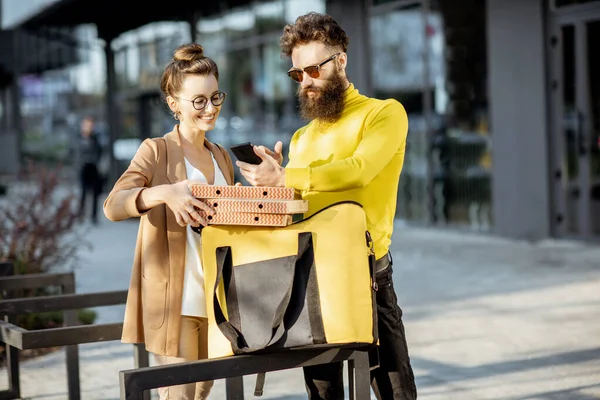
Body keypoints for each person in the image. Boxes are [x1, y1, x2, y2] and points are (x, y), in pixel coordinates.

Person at [235, 12, 417, 400]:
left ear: (341, 60)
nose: (307, 82)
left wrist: (289, 178)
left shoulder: (383, 113)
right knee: (322, 392)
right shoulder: (301, 137)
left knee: (394, 391)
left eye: (314, 69)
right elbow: (301, 207)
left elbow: (360, 170)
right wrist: (273, 184)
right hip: (310, 274)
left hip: (367, 275)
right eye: (297, 74)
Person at [103, 43, 235, 400]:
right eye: (199, 101)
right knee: (178, 396)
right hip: (175, 299)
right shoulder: (155, 150)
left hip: (217, 298)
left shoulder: (221, 155)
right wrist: (164, 193)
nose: (210, 108)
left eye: (215, 97)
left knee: (202, 392)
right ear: (174, 103)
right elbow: (113, 206)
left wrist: (266, 189)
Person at [76, 115, 103, 224]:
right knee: (83, 192)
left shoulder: (96, 138)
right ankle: (80, 215)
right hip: (83, 168)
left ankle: (94, 216)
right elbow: (75, 152)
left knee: (95, 193)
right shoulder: (78, 138)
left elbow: (100, 152)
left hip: (93, 167)